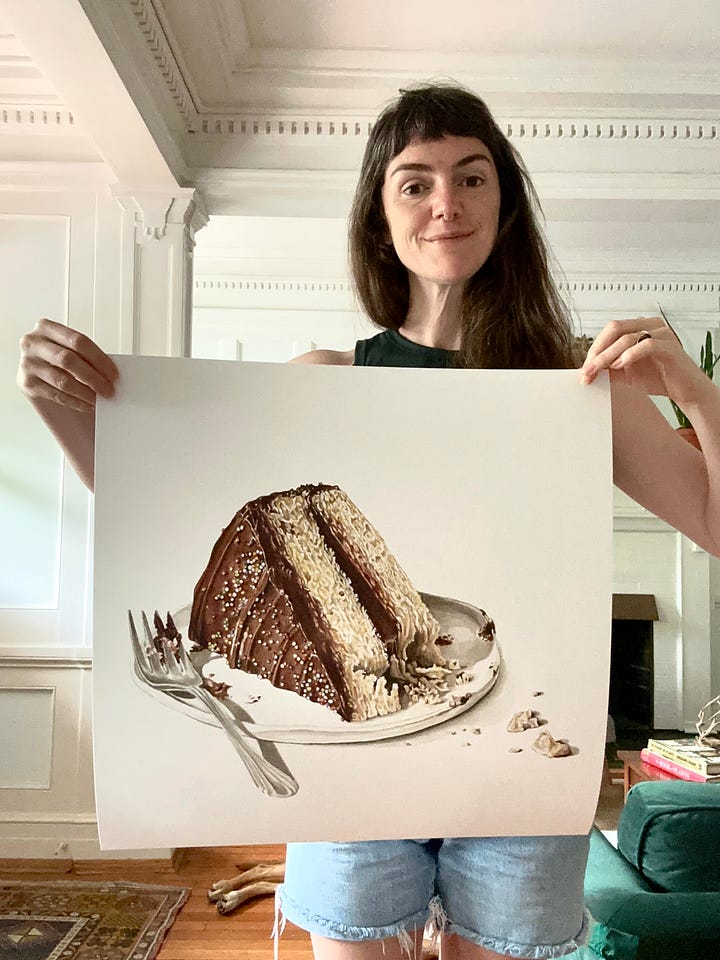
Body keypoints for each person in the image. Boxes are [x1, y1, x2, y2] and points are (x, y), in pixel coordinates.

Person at [17, 83, 720, 960]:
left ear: (505, 208)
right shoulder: (324, 374)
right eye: (414, 182)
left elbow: (712, 520)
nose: (445, 203)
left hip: (521, 761)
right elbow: (176, 514)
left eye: (472, 178)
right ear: (379, 218)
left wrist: (699, 395)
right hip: (348, 764)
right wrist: (63, 413)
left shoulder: (584, 385)